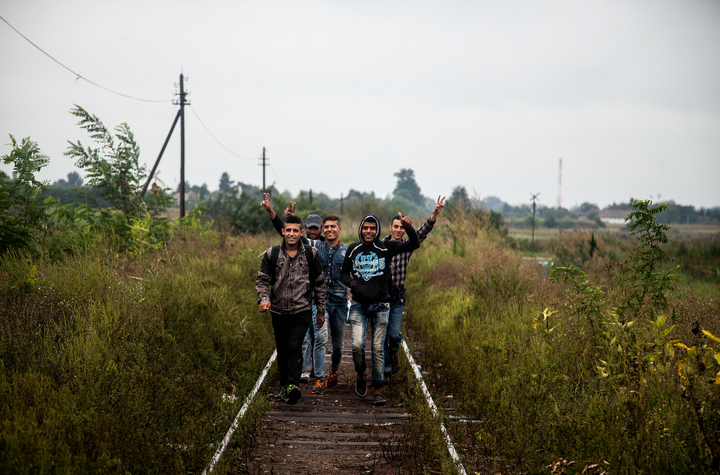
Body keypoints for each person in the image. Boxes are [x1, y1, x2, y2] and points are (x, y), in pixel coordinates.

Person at [260, 194, 348, 396]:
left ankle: (331, 372)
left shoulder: (345, 250)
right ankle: (312, 380)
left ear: (339, 229)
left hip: (339, 302)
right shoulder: (314, 247)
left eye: (333, 227)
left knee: (337, 346)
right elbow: (290, 234)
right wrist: (273, 213)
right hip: (311, 303)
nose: (328, 230)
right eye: (325, 227)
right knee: (315, 339)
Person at [340, 213, 419, 406]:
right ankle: (360, 373)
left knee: (377, 348)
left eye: (372, 228)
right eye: (365, 228)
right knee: (357, 346)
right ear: (361, 229)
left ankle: (377, 389)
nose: (369, 231)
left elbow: (414, 244)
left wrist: (409, 227)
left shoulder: (386, 247)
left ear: (377, 231)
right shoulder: (353, 249)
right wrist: (354, 284)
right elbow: (343, 273)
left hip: (381, 306)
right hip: (358, 305)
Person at [256, 215, 326, 404]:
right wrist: (264, 299)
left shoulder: (311, 254)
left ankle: (292, 385)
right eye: (289, 230)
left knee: (295, 346)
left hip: (301, 311)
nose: (292, 234)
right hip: (278, 311)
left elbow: (319, 284)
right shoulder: (272, 254)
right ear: (283, 232)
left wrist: (320, 310)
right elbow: (262, 279)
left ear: (301, 233)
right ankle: (284, 385)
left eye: (296, 230)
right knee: (282, 349)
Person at [382, 196, 445, 379]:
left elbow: (422, 233)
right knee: (381, 336)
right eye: (396, 226)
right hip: (382, 298)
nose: (399, 230)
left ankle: (393, 355)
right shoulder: (382, 246)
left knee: (393, 336)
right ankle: (386, 367)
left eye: (402, 227)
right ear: (390, 228)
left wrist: (434, 214)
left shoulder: (407, 246)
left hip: (397, 299)